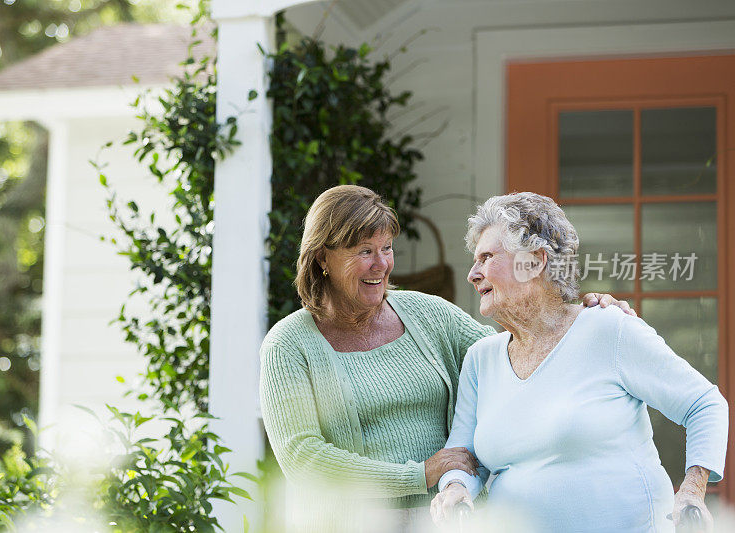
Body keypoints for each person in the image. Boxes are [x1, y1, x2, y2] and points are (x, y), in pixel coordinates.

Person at [259, 185, 633, 532]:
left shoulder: (429, 314)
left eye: (386, 248)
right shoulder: (288, 346)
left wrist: (580, 319)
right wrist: (420, 474)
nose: (381, 264)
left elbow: (519, 357)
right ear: (323, 257)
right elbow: (303, 458)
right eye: (364, 252)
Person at [430, 192, 728, 532]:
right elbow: (462, 456)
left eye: (485, 257)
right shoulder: (480, 359)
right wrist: (454, 489)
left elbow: (704, 403)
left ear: (534, 262)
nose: (473, 273)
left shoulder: (607, 327)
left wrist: (692, 491)